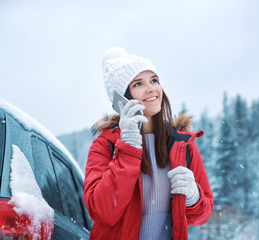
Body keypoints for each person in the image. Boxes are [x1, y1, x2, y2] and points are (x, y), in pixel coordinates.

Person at [83, 47, 213, 240]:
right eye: (138, 84)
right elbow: (103, 211)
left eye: (154, 80)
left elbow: (201, 214)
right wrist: (129, 144)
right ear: (122, 99)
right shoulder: (105, 145)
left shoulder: (182, 144)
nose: (151, 88)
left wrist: (193, 197)